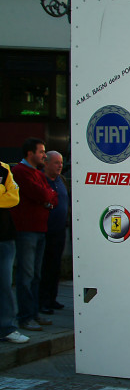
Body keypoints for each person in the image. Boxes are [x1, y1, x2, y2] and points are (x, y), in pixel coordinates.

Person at [11, 138, 57, 331]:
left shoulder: (38, 173)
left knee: (36, 274)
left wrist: (46, 198)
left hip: (40, 230)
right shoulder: (19, 172)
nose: (44, 155)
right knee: (26, 275)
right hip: (26, 231)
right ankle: (25, 317)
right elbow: (43, 194)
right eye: (41, 152)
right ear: (30, 153)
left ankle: (34, 313)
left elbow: (52, 196)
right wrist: (46, 198)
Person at [0, 160, 27, 343]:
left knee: (5, 285)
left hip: (5, 238)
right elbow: (7, 196)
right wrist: (3, 190)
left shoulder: (4, 168)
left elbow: (14, 198)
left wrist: (6, 192)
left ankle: (7, 328)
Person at [39, 152, 68, 315]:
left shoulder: (61, 180)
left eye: (61, 162)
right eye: (56, 162)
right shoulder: (40, 180)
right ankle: (42, 301)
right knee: (44, 267)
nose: (60, 166)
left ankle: (52, 298)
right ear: (46, 163)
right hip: (45, 231)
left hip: (60, 230)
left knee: (55, 266)